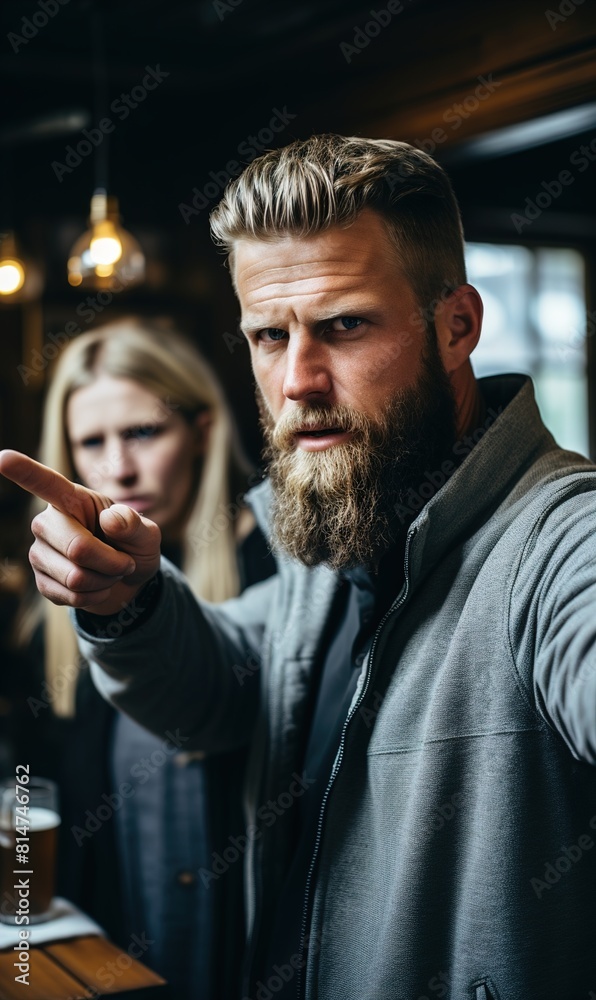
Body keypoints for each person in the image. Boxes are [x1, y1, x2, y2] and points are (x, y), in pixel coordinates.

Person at [2, 134, 596, 999]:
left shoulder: (557, 535)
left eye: (343, 326)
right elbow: (217, 684)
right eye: (269, 336)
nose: (297, 380)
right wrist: (129, 600)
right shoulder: (337, 541)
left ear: (458, 324)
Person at [9, 319, 274, 1000]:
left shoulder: (278, 568)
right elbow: (31, 785)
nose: (118, 468)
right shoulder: (56, 608)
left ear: (204, 430)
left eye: (143, 433)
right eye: (91, 442)